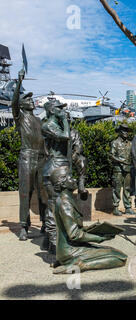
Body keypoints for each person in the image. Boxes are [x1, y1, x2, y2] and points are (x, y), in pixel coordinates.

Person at [50, 166, 127, 274]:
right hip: (71, 250)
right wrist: (98, 238)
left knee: (111, 250)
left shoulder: (63, 199)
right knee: (120, 258)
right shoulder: (65, 203)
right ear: (63, 184)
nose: (75, 179)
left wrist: (92, 229)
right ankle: (81, 265)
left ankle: (67, 261)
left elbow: (72, 228)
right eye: (70, 178)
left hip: (67, 249)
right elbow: (74, 234)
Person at [11, 69, 47, 241]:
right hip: (26, 157)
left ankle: (46, 223)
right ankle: (24, 227)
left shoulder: (39, 121)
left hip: (41, 159)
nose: (31, 101)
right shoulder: (20, 117)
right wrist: (19, 81)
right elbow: (13, 103)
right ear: (22, 104)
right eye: (28, 99)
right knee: (25, 193)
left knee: (43, 193)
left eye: (31, 99)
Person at [41, 99, 71, 253]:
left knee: (60, 205)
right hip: (54, 169)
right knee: (54, 205)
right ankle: (53, 242)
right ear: (52, 110)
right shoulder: (48, 125)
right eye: (59, 109)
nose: (62, 111)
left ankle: (50, 239)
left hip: (60, 166)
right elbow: (66, 136)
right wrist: (65, 120)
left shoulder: (56, 125)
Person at [111, 123, 133, 216]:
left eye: (127, 131)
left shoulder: (130, 143)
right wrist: (121, 161)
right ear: (120, 132)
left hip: (128, 169)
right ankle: (115, 207)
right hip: (118, 169)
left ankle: (128, 207)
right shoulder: (115, 143)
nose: (126, 133)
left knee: (127, 188)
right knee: (117, 188)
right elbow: (111, 156)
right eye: (124, 131)